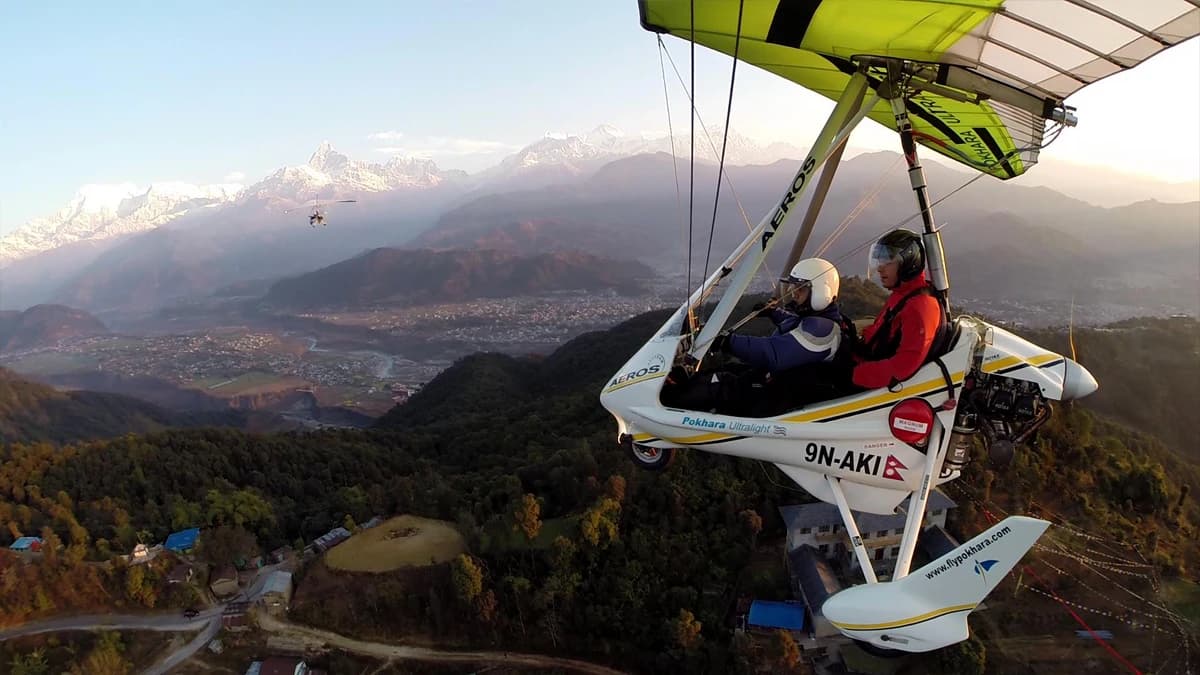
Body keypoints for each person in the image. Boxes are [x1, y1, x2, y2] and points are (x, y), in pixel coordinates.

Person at [663, 258, 853, 416]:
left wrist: (728, 341)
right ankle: (681, 381)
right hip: (782, 383)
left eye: (800, 290)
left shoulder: (824, 330)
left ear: (822, 292)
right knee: (729, 369)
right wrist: (774, 313)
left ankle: (669, 401)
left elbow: (775, 353)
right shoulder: (820, 320)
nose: (794, 295)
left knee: (723, 385)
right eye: (793, 289)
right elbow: (794, 323)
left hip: (782, 397)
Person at [851, 228, 946, 390]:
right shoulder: (902, 293)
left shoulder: (920, 306)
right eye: (880, 261)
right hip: (867, 362)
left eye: (888, 261)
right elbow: (879, 333)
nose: (880, 268)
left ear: (908, 263)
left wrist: (855, 373)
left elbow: (905, 365)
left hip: (870, 379)